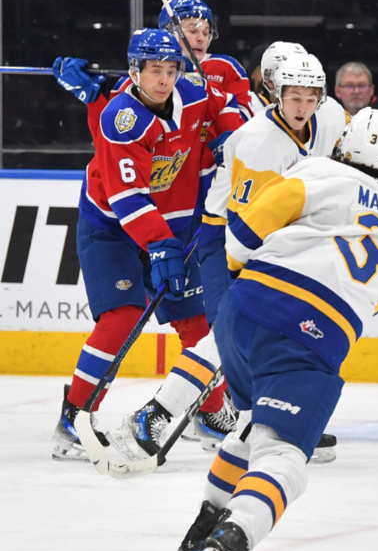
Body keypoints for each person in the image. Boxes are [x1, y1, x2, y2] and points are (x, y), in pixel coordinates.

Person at [166, 108, 378, 551]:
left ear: (346, 144)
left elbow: (257, 216)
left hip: (244, 309)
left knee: (250, 426)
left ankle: (200, 533)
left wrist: (240, 269)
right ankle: (235, 535)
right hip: (311, 331)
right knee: (284, 454)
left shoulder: (318, 168)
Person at [112, 52, 345, 461]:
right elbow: (241, 227)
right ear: (277, 94)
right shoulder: (260, 144)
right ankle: (156, 414)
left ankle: (265, 424)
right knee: (229, 334)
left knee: (277, 334)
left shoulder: (329, 118)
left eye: (311, 97)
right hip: (228, 238)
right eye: (294, 96)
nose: (302, 105)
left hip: (278, 239)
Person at [50, 29, 243, 461]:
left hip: (171, 228)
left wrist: (231, 139)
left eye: (171, 69)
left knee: (198, 324)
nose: (164, 79)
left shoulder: (193, 92)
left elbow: (229, 108)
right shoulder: (122, 118)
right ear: (134, 71)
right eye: (155, 69)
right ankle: (73, 417)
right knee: (121, 318)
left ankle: (211, 412)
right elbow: (128, 197)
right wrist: (159, 245)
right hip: (113, 228)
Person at [159, 0, 257, 121]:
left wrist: (209, 94)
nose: (201, 38)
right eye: (193, 31)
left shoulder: (226, 67)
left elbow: (243, 125)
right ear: (169, 33)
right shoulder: (152, 69)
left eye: (205, 33)